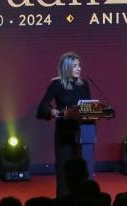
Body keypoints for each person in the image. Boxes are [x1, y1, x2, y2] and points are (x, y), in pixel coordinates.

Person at [36, 52, 91, 197]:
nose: (79, 68)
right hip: (64, 134)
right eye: (75, 66)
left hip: (83, 134)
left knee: (81, 170)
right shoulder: (57, 84)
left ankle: (82, 200)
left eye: (79, 65)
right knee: (65, 170)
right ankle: (64, 201)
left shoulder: (84, 84)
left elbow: (88, 108)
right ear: (66, 67)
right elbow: (42, 106)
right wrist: (52, 111)